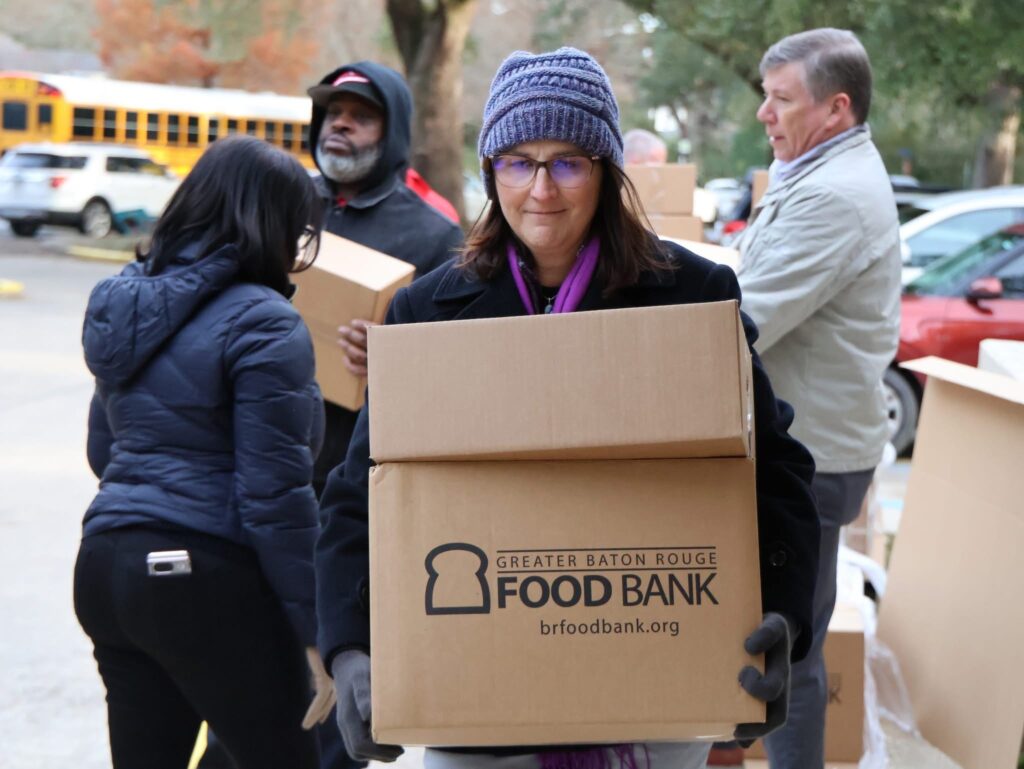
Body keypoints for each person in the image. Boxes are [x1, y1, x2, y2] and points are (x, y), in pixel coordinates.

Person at [315, 47, 821, 769]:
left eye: (567, 162)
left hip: (649, 705)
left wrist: (784, 613)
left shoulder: (692, 299)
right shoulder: (428, 313)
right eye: (518, 161)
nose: (541, 189)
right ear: (491, 172)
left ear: (606, 173)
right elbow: (356, 491)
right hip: (476, 712)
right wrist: (348, 646)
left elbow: (776, 469)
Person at [75, 135, 332, 769]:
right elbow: (274, 495)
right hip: (202, 576)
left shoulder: (125, 301)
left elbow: (103, 450)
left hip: (105, 568)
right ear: (273, 225)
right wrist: (318, 632)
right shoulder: (264, 321)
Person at [733, 28, 901, 768]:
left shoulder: (834, 196)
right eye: (764, 96)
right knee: (781, 637)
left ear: (835, 109)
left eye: (780, 99)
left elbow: (745, 319)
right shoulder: (817, 171)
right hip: (811, 442)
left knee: (787, 645)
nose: (764, 114)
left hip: (812, 455)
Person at [306, 62, 465, 494]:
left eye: (361, 117)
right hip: (268, 452)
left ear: (391, 131)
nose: (340, 123)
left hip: (359, 472)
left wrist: (392, 355)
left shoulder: (434, 233)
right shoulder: (286, 201)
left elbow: (454, 366)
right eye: (334, 112)